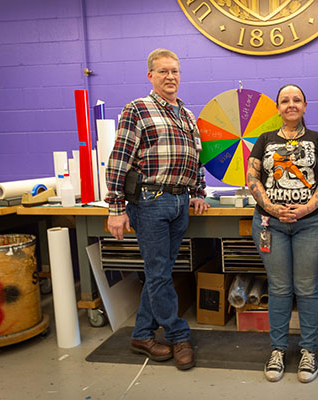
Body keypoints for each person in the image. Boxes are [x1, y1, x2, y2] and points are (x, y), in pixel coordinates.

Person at [105, 48, 209, 370]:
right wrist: (116, 207)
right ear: (150, 75)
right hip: (149, 201)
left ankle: (141, 334)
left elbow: (195, 157)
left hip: (180, 202)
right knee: (161, 273)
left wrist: (198, 192)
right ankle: (179, 336)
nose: (170, 77)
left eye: (175, 71)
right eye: (163, 71)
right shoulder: (137, 109)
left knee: (159, 274)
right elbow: (119, 159)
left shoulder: (187, 116)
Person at [246, 84, 318, 383]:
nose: (291, 105)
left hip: (312, 222)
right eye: (285, 101)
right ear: (278, 108)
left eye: (296, 100)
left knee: (307, 287)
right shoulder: (264, 140)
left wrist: (306, 208)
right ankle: (278, 350)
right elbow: (252, 177)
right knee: (281, 288)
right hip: (271, 224)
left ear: (305, 105)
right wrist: (271, 207)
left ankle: (309, 350)